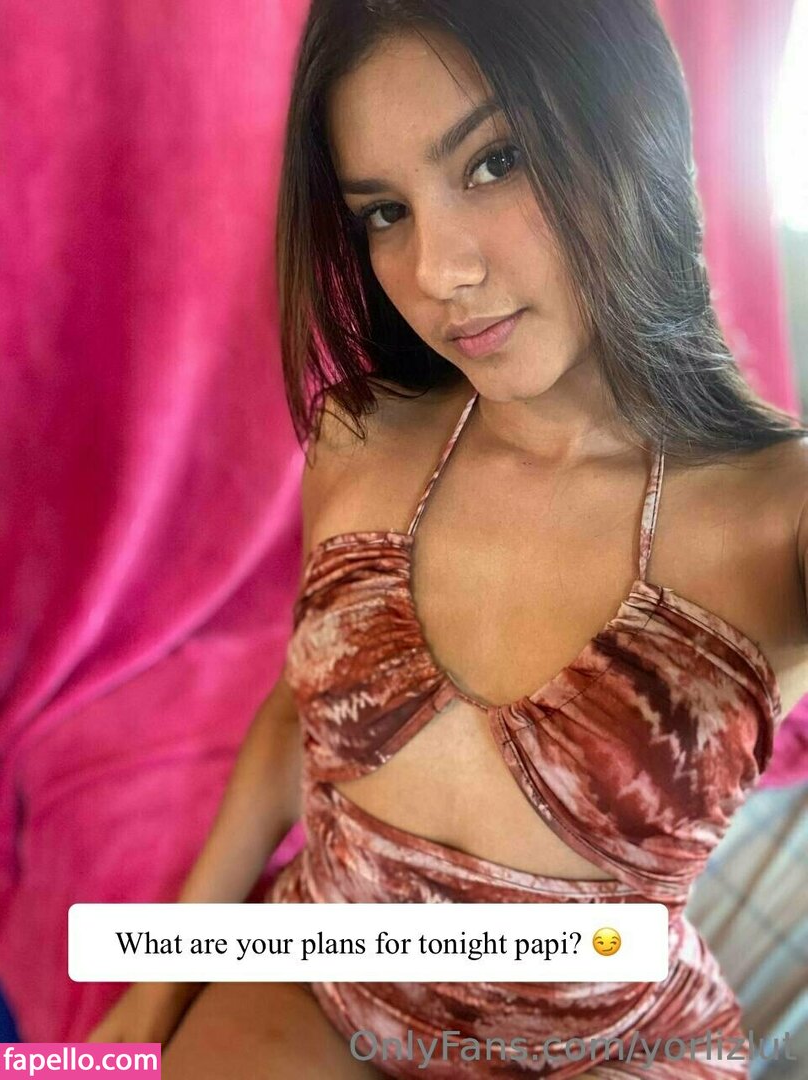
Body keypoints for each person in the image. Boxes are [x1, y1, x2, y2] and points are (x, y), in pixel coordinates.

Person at [88, 0, 808, 1075]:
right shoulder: (360, 438)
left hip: (603, 1045)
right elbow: (293, 719)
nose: (437, 272)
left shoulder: (778, 513)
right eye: (385, 212)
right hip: (328, 974)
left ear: (625, 125)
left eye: (492, 161)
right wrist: (152, 994)